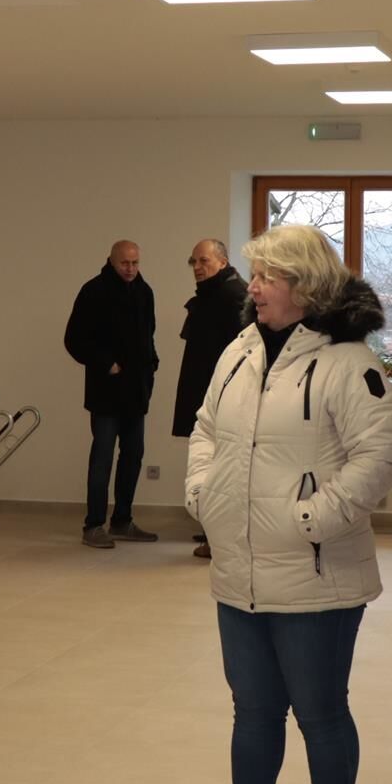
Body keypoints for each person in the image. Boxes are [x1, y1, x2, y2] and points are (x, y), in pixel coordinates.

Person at [186, 225, 392, 784]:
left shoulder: (349, 362)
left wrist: (312, 520)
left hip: (316, 574)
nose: (252, 288)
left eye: (266, 277)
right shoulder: (240, 350)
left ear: (304, 287)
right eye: (254, 275)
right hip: (239, 569)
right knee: (252, 712)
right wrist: (202, 494)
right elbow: (206, 429)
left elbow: (378, 459)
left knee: (320, 713)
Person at [64, 239, 159, 549]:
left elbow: (148, 336)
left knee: (133, 456)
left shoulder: (145, 293)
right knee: (102, 457)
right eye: (125, 263)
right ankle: (93, 525)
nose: (130, 269)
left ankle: (122, 521)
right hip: (105, 393)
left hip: (136, 391)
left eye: (135, 263)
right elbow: (74, 339)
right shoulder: (94, 291)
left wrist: (151, 365)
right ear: (112, 261)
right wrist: (107, 363)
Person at [172, 239, 250, 561]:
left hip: (223, 397)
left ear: (222, 261)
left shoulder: (233, 296)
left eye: (204, 260)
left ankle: (217, 538)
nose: (198, 267)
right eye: (194, 261)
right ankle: (212, 531)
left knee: (221, 468)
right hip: (210, 393)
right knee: (211, 464)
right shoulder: (215, 293)